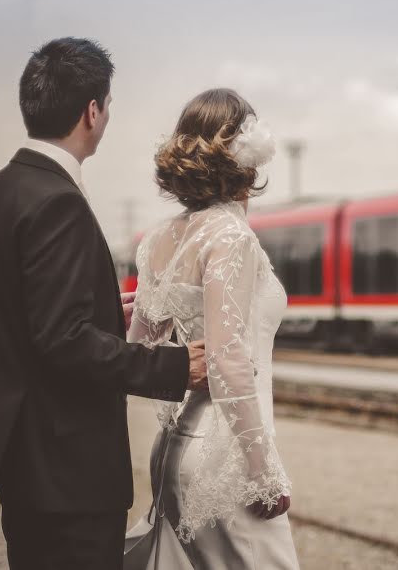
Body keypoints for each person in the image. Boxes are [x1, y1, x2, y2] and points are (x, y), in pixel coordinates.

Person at [0, 37, 208, 570]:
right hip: (67, 469)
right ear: (92, 110)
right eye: (107, 106)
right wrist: (177, 365)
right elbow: (62, 342)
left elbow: (24, 316)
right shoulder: (59, 201)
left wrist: (109, 315)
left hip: (24, 459)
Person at [123, 88, 300, 569]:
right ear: (248, 160)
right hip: (226, 461)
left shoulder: (159, 238)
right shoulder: (232, 236)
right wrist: (264, 473)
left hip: (173, 451)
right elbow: (228, 361)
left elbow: (137, 349)